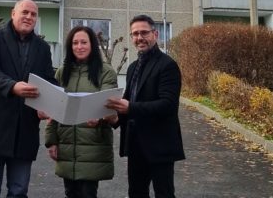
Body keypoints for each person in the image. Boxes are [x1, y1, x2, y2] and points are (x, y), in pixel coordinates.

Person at [0, 0, 55, 198]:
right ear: (13, 14)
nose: (29, 17)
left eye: (33, 14)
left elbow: (49, 80)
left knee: (19, 192)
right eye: (25, 12)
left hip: (26, 129)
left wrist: (50, 105)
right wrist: (12, 86)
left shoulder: (43, 47)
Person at [105, 14, 184, 198]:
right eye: (135, 34)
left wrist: (130, 108)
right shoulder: (133, 67)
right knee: (136, 193)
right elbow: (127, 101)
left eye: (144, 33)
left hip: (160, 145)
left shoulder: (168, 65)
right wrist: (115, 118)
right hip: (136, 144)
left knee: (164, 194)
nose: (139, 38)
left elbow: (168, 105)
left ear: (155, 34)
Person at [45, 26, 118, 198]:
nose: (79, 47)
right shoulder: (62, 73)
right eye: (75, 43)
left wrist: (100, 118)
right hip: (66, 143)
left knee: (88, 193)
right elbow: (53, 110)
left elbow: (109, 105)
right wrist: (51, 141)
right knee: (70, 193)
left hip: (93, 145)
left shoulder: (106, 72)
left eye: (84, 42)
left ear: (92, 45)